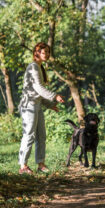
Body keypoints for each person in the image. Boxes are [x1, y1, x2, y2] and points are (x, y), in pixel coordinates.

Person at [18, 42, 64, 174]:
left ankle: (41, 164)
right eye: (45, 52)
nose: (47, 54)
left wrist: (50, 105)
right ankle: (23, 166)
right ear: (36, 53)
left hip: (37, 105)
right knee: (29, 135)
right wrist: (54, 96)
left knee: (41, 136)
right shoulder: (33, 67)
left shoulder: (39, 67)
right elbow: (39, 88)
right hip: (29, 106)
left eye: (48, 52)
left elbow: (38, 92)